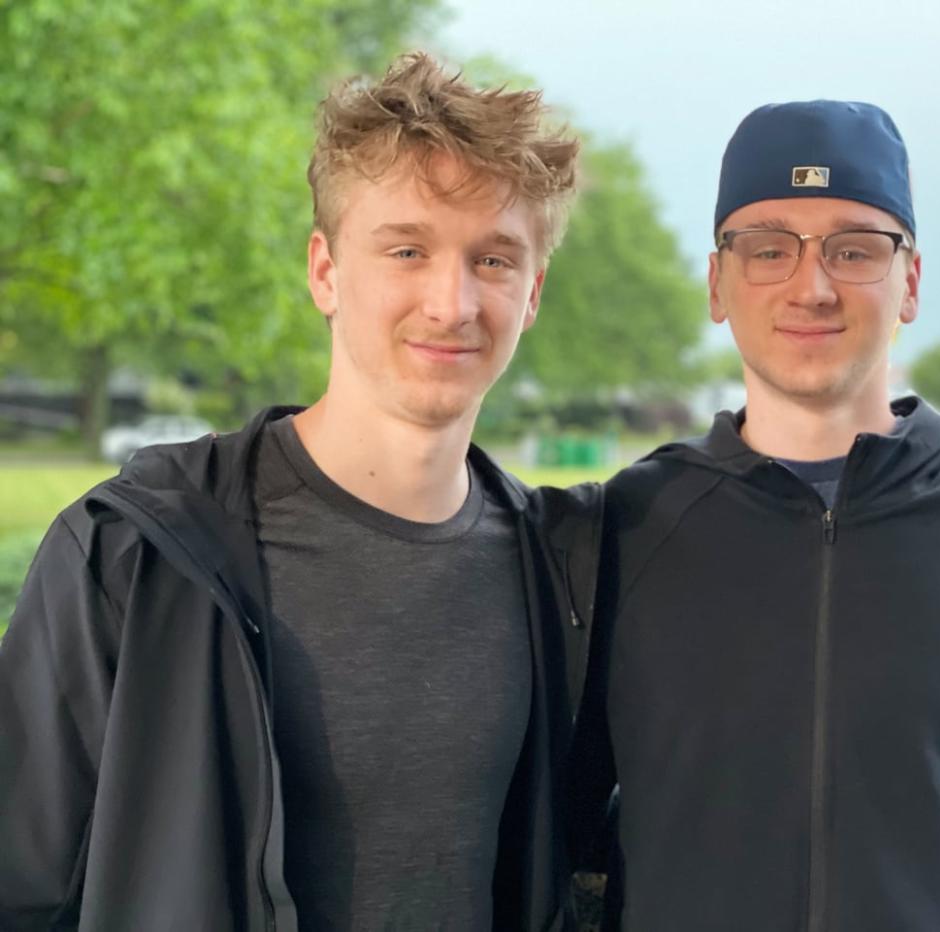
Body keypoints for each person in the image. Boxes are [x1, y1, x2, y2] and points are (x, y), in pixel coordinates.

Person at [0, 52, 600, 931]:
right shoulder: (136, 551)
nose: (451, 301)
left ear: (533, 293)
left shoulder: (559, 576)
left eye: (495, 260)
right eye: (407, 249)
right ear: (324, 270)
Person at [570, 100, 940, 930]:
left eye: (854, 249)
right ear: (718, 283)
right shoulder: (622, 531)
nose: (811, 286)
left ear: (911, 281)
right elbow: (553, 836)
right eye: (768, 248)